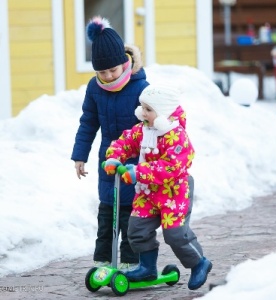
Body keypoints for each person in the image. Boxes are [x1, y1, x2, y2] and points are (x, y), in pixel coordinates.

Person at [103, 84, 212, 290]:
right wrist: (114, 157)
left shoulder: (177, 136)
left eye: (148, 110)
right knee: (136, 229)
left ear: (162, 113)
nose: (142, 113)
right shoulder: (143, 130)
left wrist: (138, 171)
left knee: (175, 234)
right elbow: (125, 142)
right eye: (142, 107)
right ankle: (147, 267)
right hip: (147, 192)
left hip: (174, 192)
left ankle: (199, 263)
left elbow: (172, 166)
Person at [71, 16, 149, 271]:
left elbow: (154, 123)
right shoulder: (95, 88)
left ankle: (129, 261)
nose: (108, 76)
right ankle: (102, 260)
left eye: (112, 70)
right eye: (101, 72)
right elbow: (88, 122)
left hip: (137, 160)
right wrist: (79, 155)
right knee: (107, 211)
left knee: (131, 214)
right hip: (109, 159)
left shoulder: (141, 87)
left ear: (124, 63)